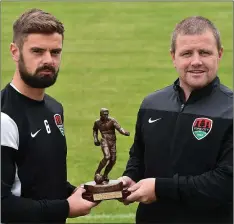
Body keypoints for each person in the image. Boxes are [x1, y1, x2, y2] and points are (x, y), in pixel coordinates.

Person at [119, 16, 233, 223]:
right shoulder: (152, 104)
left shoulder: (230, 110)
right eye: (187, 53)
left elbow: (226, 182)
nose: (196, 61)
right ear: (173, 57)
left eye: (204, 52)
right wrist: (129, 178)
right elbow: (139, 156)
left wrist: (159, 188)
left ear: (220, 54)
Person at [1, 8, 97, 223]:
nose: (49, 60)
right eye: (37, 51)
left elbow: (40, 179)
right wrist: (65, 208)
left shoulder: (54, 108)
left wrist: (77, 192)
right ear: (15, 52)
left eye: (55, 52)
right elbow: (2, 204)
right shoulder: (4, 118)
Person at [93, 108, 130, 183]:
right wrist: (95, 139)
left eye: (107, 114)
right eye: (104, 114)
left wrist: (124, 132)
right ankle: (97, 172)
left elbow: (119, 128)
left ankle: (105, 175)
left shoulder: (112, 121)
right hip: (104, 140)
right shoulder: (97, 122)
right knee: (107, 156)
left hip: (112, 142)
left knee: (113, 160)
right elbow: (95, 130)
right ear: (101, 115)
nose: (106, 116)